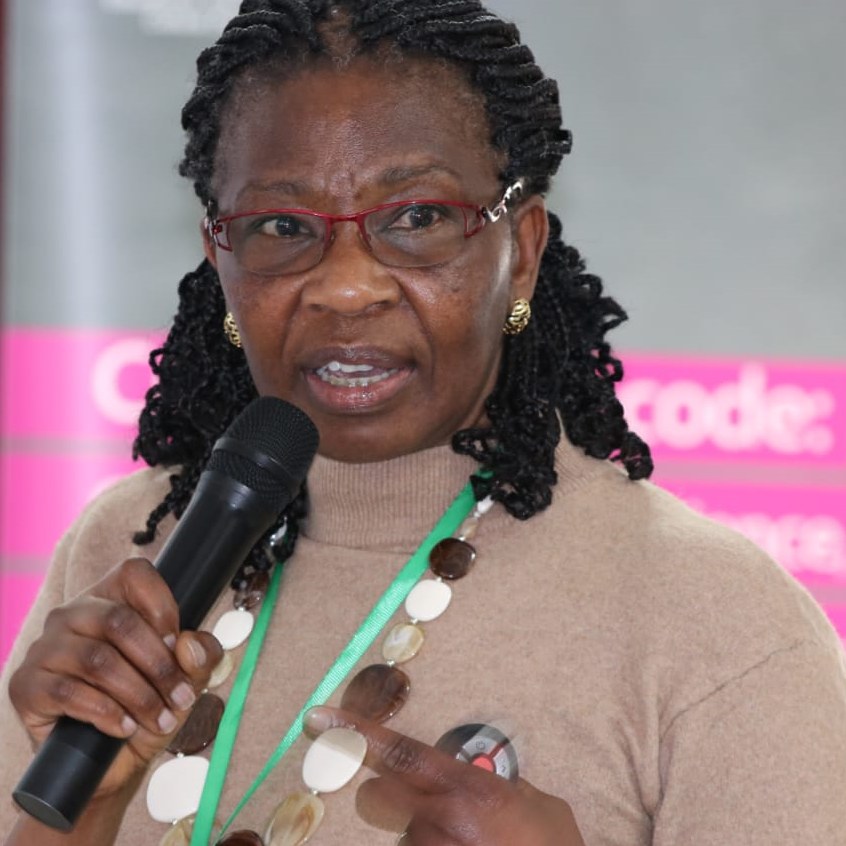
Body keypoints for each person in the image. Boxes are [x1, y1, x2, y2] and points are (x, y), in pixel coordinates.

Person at [2, 1, 845, 844]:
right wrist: (90, 814)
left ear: (522, 252)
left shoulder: (712, 620)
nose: (346, 288)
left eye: (417, 218)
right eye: (282, 227)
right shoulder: (127, 555)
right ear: (220, 258)